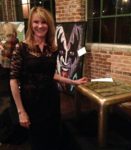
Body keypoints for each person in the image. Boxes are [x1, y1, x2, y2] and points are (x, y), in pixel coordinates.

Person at [9, 6, 87, 150]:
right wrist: (21, 111)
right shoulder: (21, 48)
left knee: (53, 135)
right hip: (31, 103)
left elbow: (50, 74)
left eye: (44, 22)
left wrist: (73, 81)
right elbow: (13, 80)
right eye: (36, 22)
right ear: (31, 24)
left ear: (49, 25)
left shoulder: (52, 48)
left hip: (51, 99)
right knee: (38, 140)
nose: (40, 26)